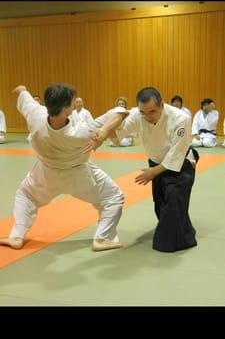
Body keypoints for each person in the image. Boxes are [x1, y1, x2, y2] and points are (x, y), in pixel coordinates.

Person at [0, 83, 128, 252]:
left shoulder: (36, 115)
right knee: (113, 197)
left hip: (45, 174)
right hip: (79, 176)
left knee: (25, 195)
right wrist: (103, 132)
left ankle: (16, 236)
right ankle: (103, 238)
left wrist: (22, 90)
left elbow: (25, 98)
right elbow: (119, 113)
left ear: (47, 104)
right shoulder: (82, 131)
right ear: (67, 108)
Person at [87, 87, 199, 253]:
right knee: (161, 205)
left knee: (174, 203)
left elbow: (177, 153)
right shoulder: (139, 115)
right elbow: (118, 137)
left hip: (180, 165)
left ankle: (176, 242)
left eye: (152, 111)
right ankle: (184, 231)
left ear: (162, 104)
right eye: (143, 112)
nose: (148, 117)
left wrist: (153, 173)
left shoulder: (180, 118)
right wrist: (103, 133)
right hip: (155, 163)